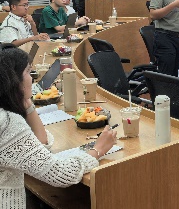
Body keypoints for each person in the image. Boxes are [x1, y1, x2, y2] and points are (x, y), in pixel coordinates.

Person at [0, 45, 117, 209]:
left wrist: (27, 104)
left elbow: (40, 143)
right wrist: (98, 149)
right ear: (13, 80)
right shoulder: (7, 122)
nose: (32, 79)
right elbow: (60, 175)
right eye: (28, 72)